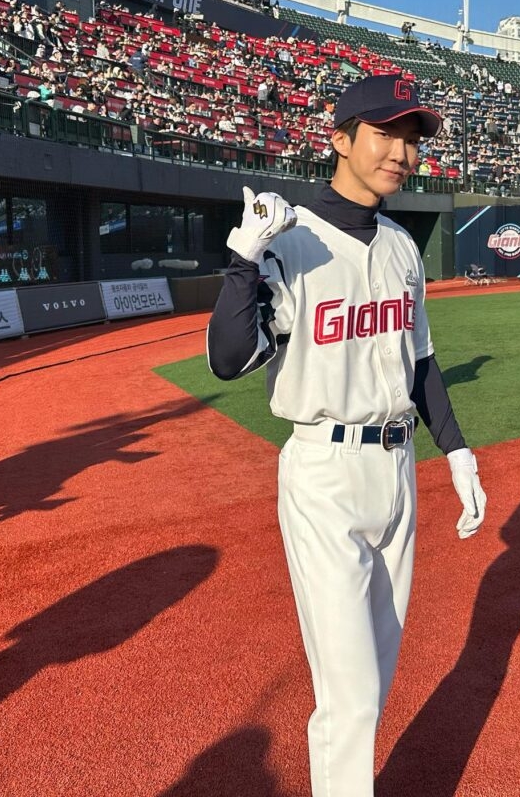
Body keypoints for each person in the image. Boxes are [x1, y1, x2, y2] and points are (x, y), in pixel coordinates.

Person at [206, 73, 487, 797]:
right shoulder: (291, 237)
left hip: (396, 473)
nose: (403, 151)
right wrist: (241, 265)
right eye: (387, 132)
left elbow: (418, 356)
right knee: (352, 695)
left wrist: (454, 449)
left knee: (377, 675)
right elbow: (229, 359)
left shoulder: (399, 245)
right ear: (339, 138)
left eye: (413, 137)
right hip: (324, 473)